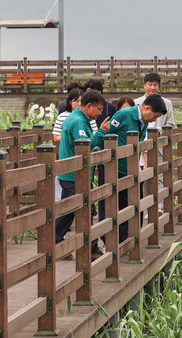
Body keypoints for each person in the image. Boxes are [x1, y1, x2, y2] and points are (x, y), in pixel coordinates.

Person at [55, 90, 110, 261]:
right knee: (84, 209)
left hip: (73, 172)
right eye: (99, 109)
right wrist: (101, 132)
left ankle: (55, 242)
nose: (100, 113)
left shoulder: (79, 118)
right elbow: (84, 146)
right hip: (74, 173)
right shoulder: (78, 121)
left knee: (71, 210)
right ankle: (90, 247)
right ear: (89, 106)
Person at [103, 94, 167, 241]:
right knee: (114, 206)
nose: (155, 120)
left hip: (131, 168)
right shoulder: (124, 115)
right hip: (115, 167)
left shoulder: (142, 120)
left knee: (133, 204)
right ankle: (117, 240)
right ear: (147, 108)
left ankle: (129, 240)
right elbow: (106, 135)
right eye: (155, 116)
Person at [134, 72, 175, 210]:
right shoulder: (136, 103)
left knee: (159, 176)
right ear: (144, 85)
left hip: (158, 145)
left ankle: (159, 207)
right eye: (150, 84)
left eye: (155, 85)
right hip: (140, 145)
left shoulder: (167, 103)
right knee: (144, 177)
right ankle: (146, 207)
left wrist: (160, 129)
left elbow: (171, 125)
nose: (152, 87)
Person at [84, 79, 117, 223]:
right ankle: (90, 213)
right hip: (89, 147)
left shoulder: (110, 108)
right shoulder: (83, 111)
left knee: (105, 184)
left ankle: (104, 219)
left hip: (105, 148)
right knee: (87, 183)